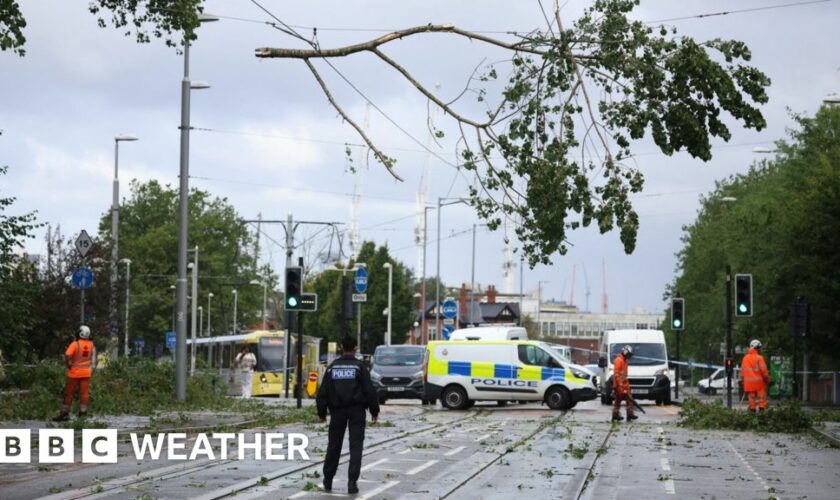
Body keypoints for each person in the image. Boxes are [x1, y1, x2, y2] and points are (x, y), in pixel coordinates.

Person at [316, 336, 379, 494]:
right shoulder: (360, 367)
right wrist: (374, 410)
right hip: (357, 411)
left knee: (334, 446)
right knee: (356, 447)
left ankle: (328, 479)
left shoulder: (332, 367)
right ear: (355, 348)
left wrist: (322, 413)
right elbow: (369, 390)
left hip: (337, 412)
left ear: (341, 347)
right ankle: (352, 482)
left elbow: (323, 392)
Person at [53, 325, 96, 421]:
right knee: (84, 394)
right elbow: (93, 358)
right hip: (86, 373)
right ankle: (83, 413)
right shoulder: (91, 344)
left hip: (74, 373)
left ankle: (64, 413)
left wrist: (68, 364)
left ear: (80, 333)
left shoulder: (75, 344)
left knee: (69, 393)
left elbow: (67, 354)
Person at [741, 339, 771, 412]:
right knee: (762, 398)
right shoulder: (759, 358)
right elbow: (764, 371)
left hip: (749, 384)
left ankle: (752, 413)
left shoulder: (745, 358)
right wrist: (768, 379)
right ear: (757, 348)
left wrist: (743, 382)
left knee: (752, 400)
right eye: (759, 348)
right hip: (759, 383)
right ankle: (761, 412)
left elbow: (742, 372)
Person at [612, 345, 638, 421]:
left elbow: (624, 374)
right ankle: (615, 415)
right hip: (618, 384)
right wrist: (620, 385)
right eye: (629, 354)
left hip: (624, 383)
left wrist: (625, 385)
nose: (629, 356)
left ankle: (630, 414)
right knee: (618, 400)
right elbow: (616, 374)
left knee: (629, 398)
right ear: (625, 352)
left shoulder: (625, 360)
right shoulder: (618, 360)